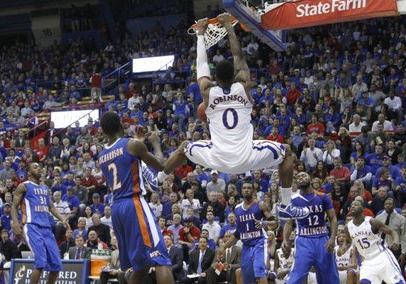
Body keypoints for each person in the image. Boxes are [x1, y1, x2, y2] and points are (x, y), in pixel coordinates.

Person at [165, 13, 295, 207]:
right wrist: (229, 27)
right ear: (235, 74)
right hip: (248, 157)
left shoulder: (208, 91)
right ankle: (286, 204)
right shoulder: (243, 86)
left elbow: (201, 65)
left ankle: (159, 177)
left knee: (183, 147)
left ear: (215, 78)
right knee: (286, 152)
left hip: (217, 158)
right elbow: (238, 56)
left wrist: (200, 34)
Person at [98, 111, 174, 284]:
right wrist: (155, 144)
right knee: (161, 258)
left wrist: (139, 143)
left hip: (117, 208)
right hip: (134, 203)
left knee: (141, 265)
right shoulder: (132, 145)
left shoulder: (102, 155)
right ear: (121, 125)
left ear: (103, 131)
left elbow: (126, 160)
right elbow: (161, 166)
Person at [11, 162, 70, 284]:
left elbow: (51, 207)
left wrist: (62, 219)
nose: (39, 169)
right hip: (32, 226)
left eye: (40, 167)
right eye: (35, 167)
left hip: (47, 229)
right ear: (29, 172)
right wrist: (16, 224)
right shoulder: (24, 186)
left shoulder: (44, 188)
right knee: (41, 262)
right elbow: (13, 206)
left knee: (56, 264)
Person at [282, 172, 339, 283]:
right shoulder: (293, 200)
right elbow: (289, 223)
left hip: (322, 239)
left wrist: (332, 238)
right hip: (304, 240)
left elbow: (333, 218)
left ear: (311, 179)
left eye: (303, 176)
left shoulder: (323, 197)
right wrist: (285, 239)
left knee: (329, 276)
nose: (301, 178)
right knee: (296, 275)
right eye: (298, 177)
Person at [218, 182, 277, 284]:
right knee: (246, 276)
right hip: (246, 246)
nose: (246, 190)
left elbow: (275, 223)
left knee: (259, 272)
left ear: (253, 191)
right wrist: (224, 246)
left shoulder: (260, 204)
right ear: (241, 191)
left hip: (259, 243)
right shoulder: (237, 208)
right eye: (244, 188)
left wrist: (264, 223)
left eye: (249, 188)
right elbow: (238, 233)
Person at [347, 199, 405, 283]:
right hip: (367, 261)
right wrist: (343, 249)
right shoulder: (348, 226)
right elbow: (348, 242)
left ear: (363, 209)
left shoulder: (371, 221)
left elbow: (392, 231)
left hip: (382, 256)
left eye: (356, 204)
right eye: (352, 204)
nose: (353, 206)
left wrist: (395, 240)